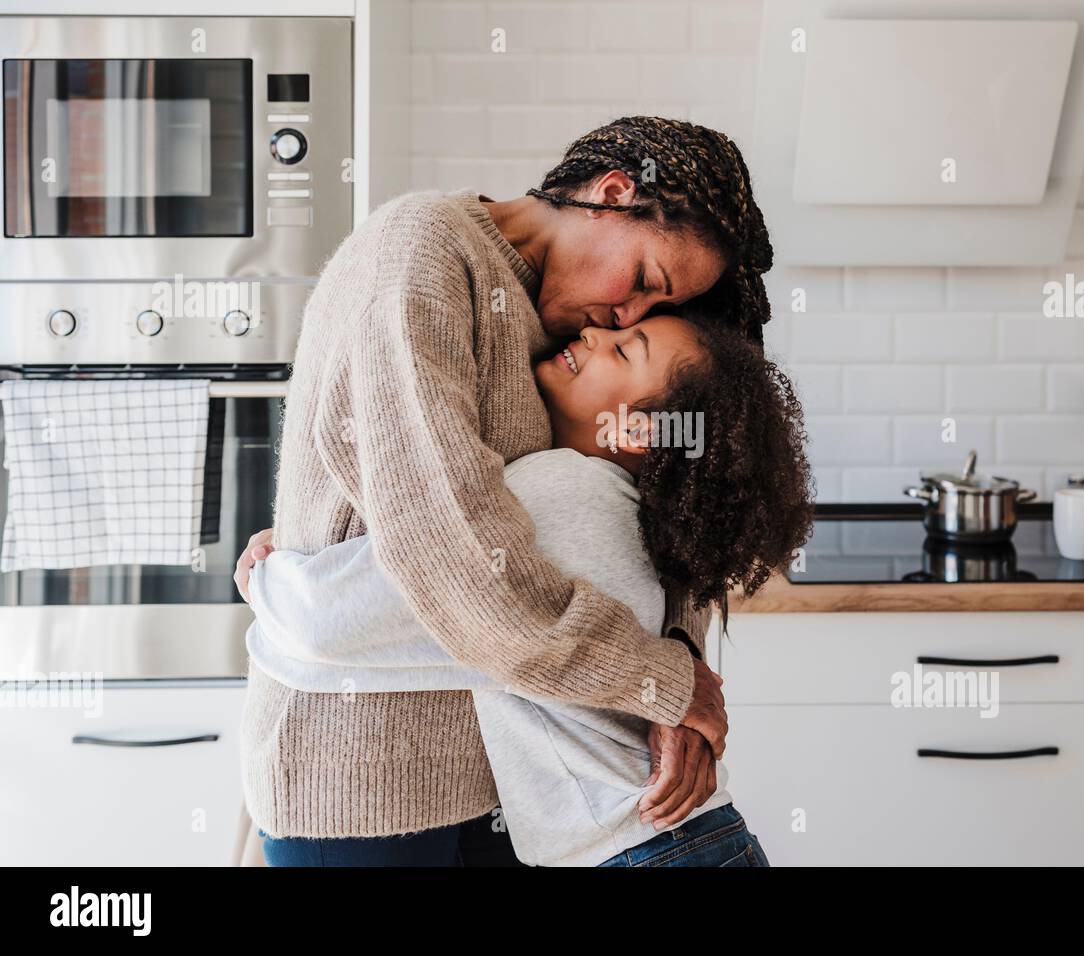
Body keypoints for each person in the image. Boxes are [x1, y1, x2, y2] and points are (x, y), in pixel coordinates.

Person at [234, 117, 775, 865]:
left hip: (513, 803)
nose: (627, 318)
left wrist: (678, 648)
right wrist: (658, 681)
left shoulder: (573, 331)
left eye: (652, 315)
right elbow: (450, 552)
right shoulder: (421, 254)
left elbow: (658, 503)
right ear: (613, 194)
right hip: (365, 789)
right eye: (646, 282)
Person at [246, 315, 813, 866]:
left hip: (646, 851)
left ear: (638, 430)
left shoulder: (559, 492)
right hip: (675, 844)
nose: (592, 333)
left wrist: (268, 578)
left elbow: (339, 622)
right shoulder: (625, 513)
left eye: (621, 350)